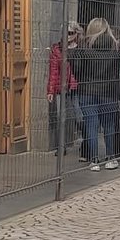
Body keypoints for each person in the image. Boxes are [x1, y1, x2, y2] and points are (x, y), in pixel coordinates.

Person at [69, 18, 120, 171]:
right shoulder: (114, 49)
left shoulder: (84, 49)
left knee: (91, 126)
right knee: (109, 126)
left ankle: (94, 160)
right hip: (108, 92)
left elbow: (77, 71)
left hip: (87, 91)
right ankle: (111, 158)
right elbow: (116, 72)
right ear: (107, 29)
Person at [47, 21, 82, 154]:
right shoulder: (57, 49)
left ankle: (87, 143)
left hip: (78, 87)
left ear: (76, 34)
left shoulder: (81, 49)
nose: (67, 36)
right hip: (62, 87)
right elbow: (53, 70)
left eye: (70, 33)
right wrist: (51, 90)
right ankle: (61, 147)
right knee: (61, 116)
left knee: (79, 116)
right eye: (65, 33)